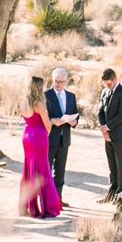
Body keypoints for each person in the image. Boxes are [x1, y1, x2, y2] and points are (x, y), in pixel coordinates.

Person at [19, 75, 62, 219]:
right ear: (39, 87)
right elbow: (47, 124)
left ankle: (28, 207)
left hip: (27, 136)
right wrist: (49, 129)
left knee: (28, 171)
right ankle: (47, 208)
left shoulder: (23, 101)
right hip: (38, 137)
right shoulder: (39, 103)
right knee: (43, 172)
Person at [45, 66, 80, 207]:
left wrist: (74, 121)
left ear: (66, 82)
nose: (58, 84)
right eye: (56, 81)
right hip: (49, 138)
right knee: (47, 170)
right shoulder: (46, 95)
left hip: (64, 139)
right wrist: (53, 121)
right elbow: (43, 117)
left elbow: (76, 113)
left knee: (60, 172)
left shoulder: (71, 96)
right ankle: (47, 200)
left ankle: (57, 199)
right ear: (52, 79)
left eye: (61, 81)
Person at [97, 68, 122, 202]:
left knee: (120, 165)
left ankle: (120, 194)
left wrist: (107, 127)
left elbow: (121, 116)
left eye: (109, 84)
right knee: (111, 166)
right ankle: (111, 192)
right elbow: (100, 111)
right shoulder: (105, 92)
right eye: (105, 84)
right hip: (107, 135)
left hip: (120, 135)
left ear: (115, 79)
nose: (107, 86)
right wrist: (103, 128)